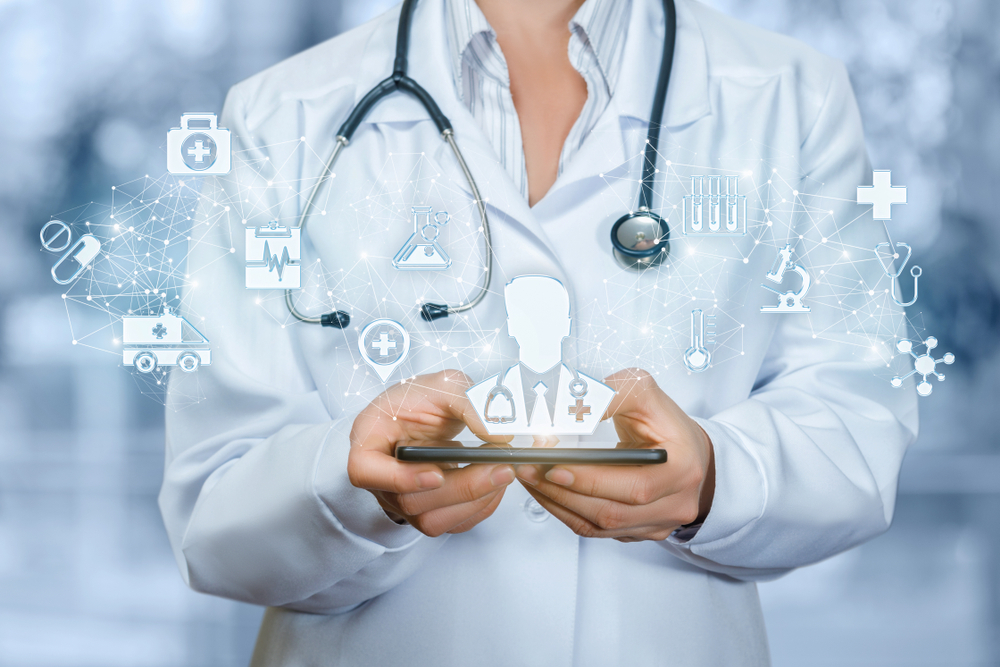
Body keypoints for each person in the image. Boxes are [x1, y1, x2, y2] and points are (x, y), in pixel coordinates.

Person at [159, 0, 918, 665]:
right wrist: (353, 486)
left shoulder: (792, 99)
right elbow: (212, 505)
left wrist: (715, 478)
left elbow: (857, 423)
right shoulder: (276, 116)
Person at [466, 275, 615, 434]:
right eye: (526, 318)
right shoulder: (479, 397)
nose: (538, 328)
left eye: (548, 317)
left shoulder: (600, 395)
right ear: (511, 326)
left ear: (566, 325)